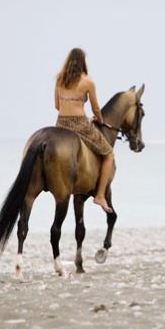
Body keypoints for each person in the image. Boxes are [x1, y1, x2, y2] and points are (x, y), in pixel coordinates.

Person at [54, 47, 114, 213]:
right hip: (80, 124)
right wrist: (99, 120)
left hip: (61, 124)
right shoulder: (88, 81)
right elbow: (95, 108)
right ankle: (100, 195)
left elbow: (57, 105)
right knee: (108, 154)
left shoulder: (59, 79)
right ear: (83, 62)